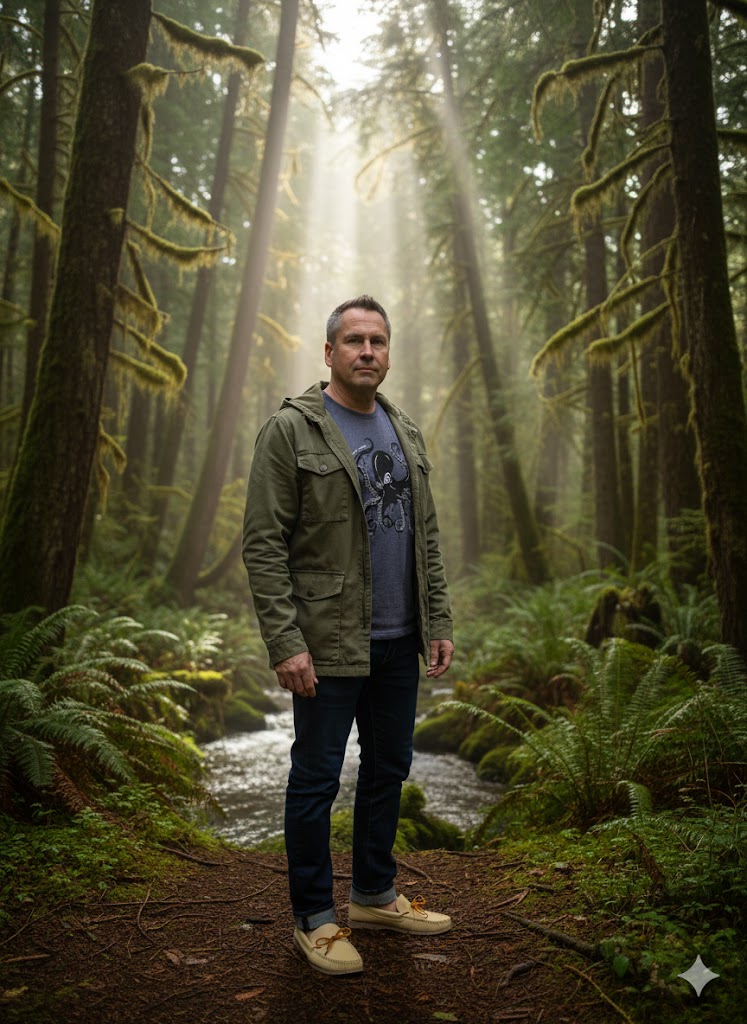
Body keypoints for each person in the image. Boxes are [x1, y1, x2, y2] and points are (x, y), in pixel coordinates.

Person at [242, 295, 454, 976]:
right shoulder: (290, 430)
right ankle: (314, 919)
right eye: (354, 340)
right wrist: (284, 641)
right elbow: (263, 543)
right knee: (315, 780)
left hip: (399, 639)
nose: (368, 351)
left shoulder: (405, 431)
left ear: (388, 353)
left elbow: (425, 536)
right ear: (329, 351)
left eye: (379, 341)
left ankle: (372, 894)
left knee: (388, 770)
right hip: (327, 639)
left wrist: (438, 622)